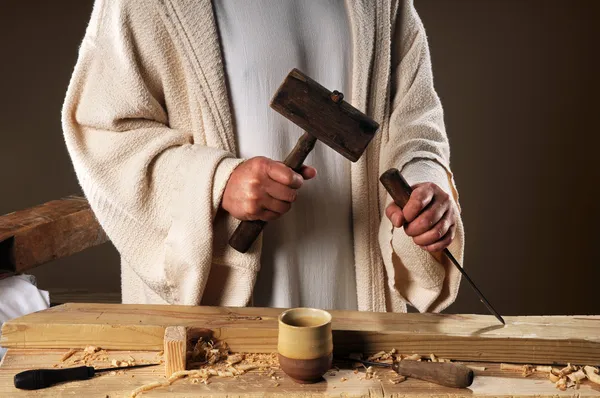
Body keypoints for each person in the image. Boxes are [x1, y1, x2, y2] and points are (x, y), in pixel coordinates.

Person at [62, 0, 464, 313]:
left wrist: (424, 187)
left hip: (353, 300)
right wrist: (218, 181)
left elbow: (415, 123)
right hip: (222, 306)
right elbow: (103, 132)